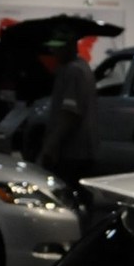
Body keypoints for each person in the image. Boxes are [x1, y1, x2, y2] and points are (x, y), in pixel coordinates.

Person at [36, 34, 97, 188]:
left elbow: (70, 113)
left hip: (72, 151)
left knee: (67, 193)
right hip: (82, 150)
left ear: (69, 47)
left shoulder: (73, 71)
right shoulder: (82, 66)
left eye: (57, 47)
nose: (52, 50)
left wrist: (50, 146)